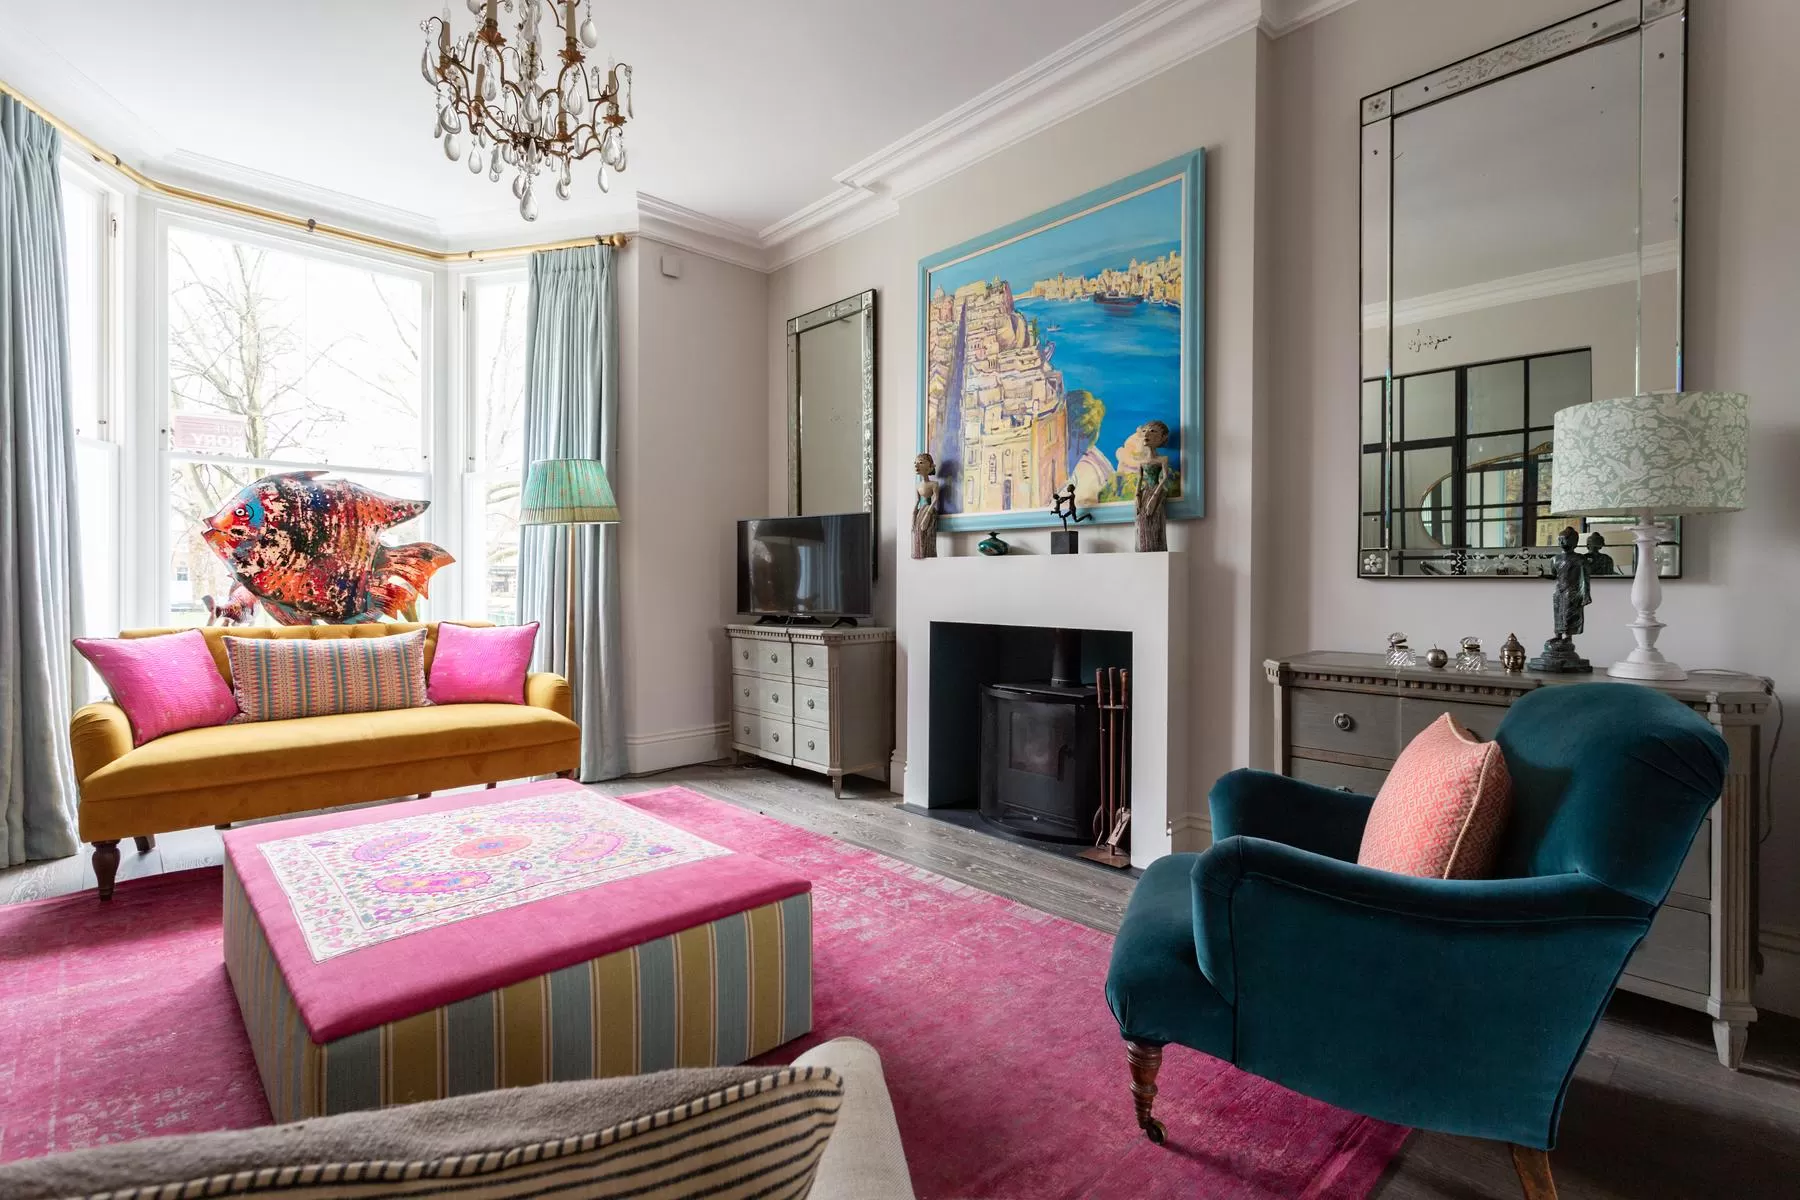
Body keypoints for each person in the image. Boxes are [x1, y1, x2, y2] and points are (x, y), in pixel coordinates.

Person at [912, 453, 939, 560]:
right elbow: (917, 501)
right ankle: (920, 553)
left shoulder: (934, 484)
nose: (916, 465)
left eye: (921, 463)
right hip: (921, 512)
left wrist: (928, 513)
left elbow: (935, 499)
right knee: (918, 535)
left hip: (929, 511)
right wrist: (914, 515)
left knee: (926, 535)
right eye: (915, 463)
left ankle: (928, 553)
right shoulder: (918, 485)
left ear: (929, 466)